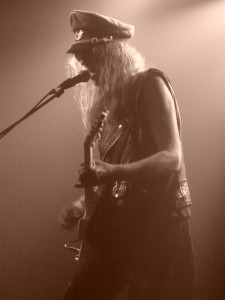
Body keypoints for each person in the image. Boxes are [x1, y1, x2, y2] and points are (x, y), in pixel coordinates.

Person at [59, 9, 195, 300]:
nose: (82, 63)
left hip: (161, 227)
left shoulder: (150, 84)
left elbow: (171, 157)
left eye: (88, 55)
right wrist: (84, 202)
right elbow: (120, 173)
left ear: (110, 53)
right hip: (127, 224)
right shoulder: (116, 105)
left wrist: (110, 172)